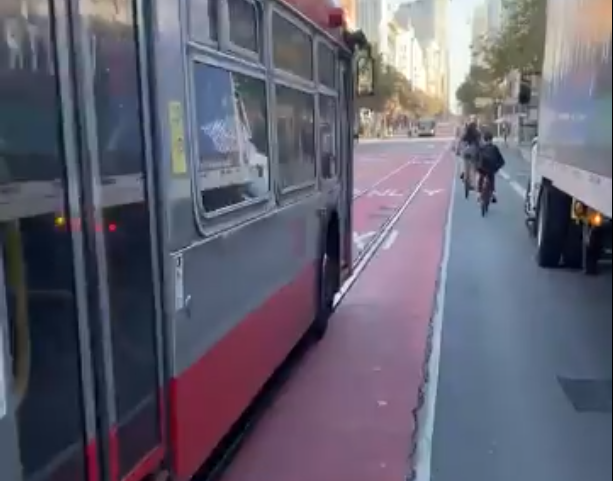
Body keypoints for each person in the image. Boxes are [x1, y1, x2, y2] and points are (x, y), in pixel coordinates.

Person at [476, 131, 505, 203]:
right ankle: (493, 193)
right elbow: (501, 160)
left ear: (484, 139)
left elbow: (476, 158)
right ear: (491, 139)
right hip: (492, 168)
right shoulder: (495, 148)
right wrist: (497, 167)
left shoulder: (481, 148)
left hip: (482, 168)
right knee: (491, 177)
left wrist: (476, 166)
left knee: (481, 177)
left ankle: (479, 193)